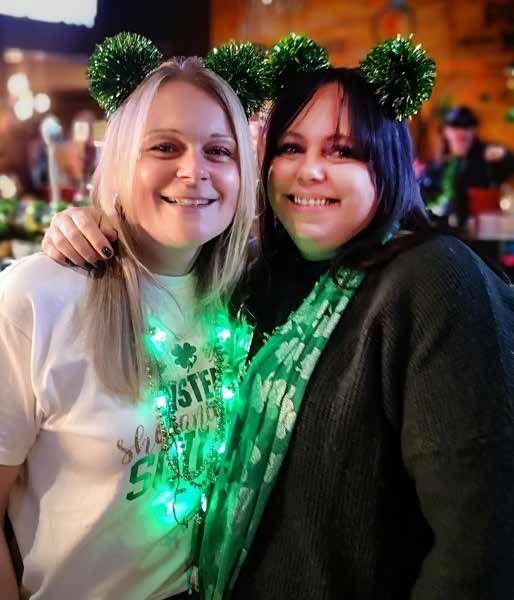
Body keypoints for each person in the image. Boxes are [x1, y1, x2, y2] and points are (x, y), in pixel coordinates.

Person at [42, 48, 514, 600]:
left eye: (342, 150)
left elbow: (482, 546)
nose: (310, 170)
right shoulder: (254, 283)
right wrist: (94, 223)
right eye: (290, 147)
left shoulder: (434, 279)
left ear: (386, 163)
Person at [0, 54, 256, 600]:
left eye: (219, 150)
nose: (194, 171)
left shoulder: (246, 293)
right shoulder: (38, 299)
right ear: (120, 161)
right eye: (164, 147)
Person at [418, 105, 514, 225]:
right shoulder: (440, 164)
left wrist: (504, 155)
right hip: (445, 227)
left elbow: (507, 163)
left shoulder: (485, 155)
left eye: (466, 126)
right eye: (455, 126)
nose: (460, 131)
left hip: (481, 228)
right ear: (446, 131)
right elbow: (426, 195)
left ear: (473, 131)